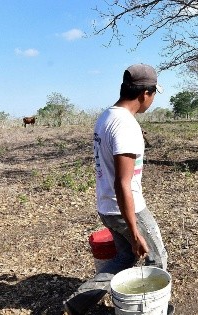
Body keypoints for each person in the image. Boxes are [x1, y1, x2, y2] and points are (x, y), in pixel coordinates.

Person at [64, 64, 172, 315]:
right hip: (126, 208)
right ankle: (154, 309)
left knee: (124, 258)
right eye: (154, 94)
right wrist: (135, 232)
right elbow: (122, 183)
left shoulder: (107, 116)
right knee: (158, 258)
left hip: (107, 207)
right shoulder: (125, 125)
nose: (153, 100)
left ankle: (76, 304)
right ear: (145, 93)